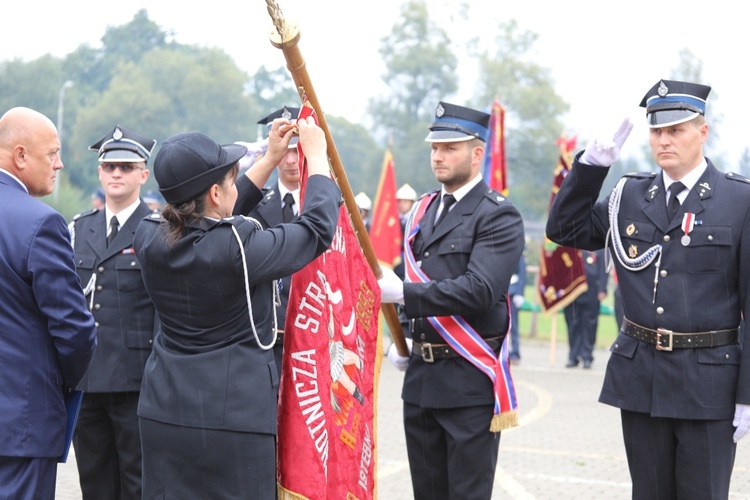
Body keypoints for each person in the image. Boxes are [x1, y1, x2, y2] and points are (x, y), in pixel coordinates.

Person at [545, 79, 750, 498]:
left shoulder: (738, 200)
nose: (664, 140)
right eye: (657, 131)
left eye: (676, 130)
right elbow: (563, 228)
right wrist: (591, 167)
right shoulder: (630, 195)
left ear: (702, 132)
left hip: (709, 384)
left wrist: (748, 393)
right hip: (643, 381)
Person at [133, 115, 340, 498]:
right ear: (214, 192)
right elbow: (316, 230)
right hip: (234, 422)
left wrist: (269, 161)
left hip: (163, 412)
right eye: (230, 179)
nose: (234, 186)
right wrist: (318, 159)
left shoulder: (148, 235)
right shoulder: (239, 247)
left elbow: (207, 218)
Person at [378, 101, 525, 500]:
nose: (438, 156)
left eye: (450, 148)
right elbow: (420, 273)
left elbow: (479, 290)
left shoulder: (498, 216)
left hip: (467, 381)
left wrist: (404, 294)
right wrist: (404, 335)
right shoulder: (423, 210)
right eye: (435, 148)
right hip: (422, 380)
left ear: (477, 154)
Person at [0, 107, 97, 499]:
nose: (59, 164)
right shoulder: (41, 223)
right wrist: (58, 384)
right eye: (52, 153)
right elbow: (76, 332)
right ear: (20, 156)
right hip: (20, 424)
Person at [69, 125, 158, 500]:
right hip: (87, 380)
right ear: (100, 172)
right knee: (94, 481)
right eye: (109, 167)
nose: (116, 174)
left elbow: (163, 309)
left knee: (137, 482)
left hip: (135, 381)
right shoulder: (78, 228)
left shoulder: (157, 229)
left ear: (143, 173)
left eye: (126, 166)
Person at [245, 105, 301, 374]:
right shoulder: (252, 205)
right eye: (284, 150)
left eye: (297, 150)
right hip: (263, 343)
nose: (290, 160)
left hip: (314, 343)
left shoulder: (329, 206)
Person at [563, 249, 607, 369]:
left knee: (590, 326)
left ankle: (587, 356)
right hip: (572, 292)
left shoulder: (600, 247)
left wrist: (602, 289)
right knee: (573, 324)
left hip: (592, 291)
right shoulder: (571, 245)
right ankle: (573, 356)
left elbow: (604, 269)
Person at [394, 183, 418, 279]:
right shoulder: (394, 221)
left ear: (412, 203)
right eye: (399, 201)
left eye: (405, 202)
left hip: (409, 259)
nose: (401, 205)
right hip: (395, 260)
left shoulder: (416, 220)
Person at [508, 249, 527, 365]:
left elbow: (522, 274)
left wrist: (520, 293)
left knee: (514, 325)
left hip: (513, 293)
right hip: (502, 292)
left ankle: (515, 352)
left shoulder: (518, 254)